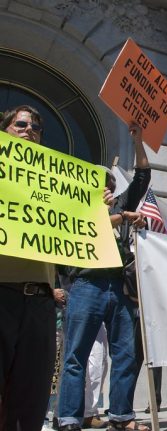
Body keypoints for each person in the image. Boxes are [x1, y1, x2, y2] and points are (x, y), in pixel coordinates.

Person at [0, 105, 111, 431]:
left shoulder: (50, 183)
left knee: (31, 396)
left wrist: (94, 210)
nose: (29, 129)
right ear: (6, 129)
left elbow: (74, 241)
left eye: (36, 126)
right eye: (20, 123)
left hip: (41, 300)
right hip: (1, 293)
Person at [57, 124, 151, 431]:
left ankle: (121, 416)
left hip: (118, 287)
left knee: (125, 354)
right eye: (100, 182)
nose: (106, 186)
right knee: (76, 356)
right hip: (85, 285)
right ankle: (70, 417)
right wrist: (117, 216)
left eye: (110, 182)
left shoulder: (121, 205)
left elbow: (142, 178)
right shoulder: (76, 211)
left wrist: (137, 142)